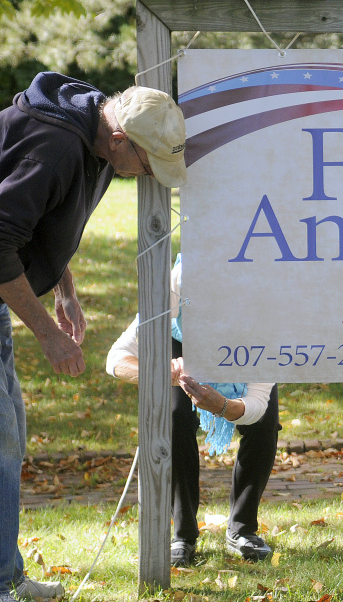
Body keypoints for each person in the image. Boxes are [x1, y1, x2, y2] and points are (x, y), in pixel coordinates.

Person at [0, 72, 186, 601]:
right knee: (0, 440)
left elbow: (43, 225)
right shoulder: (56, 146)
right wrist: (48, 335)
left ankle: (6, 575)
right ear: (122, 140)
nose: (147, 174)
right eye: (148, 163)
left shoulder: (96, 140)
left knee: (9, 434)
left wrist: (65, 290)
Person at [106, 257, 280, 567]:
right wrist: (164, 373)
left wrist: (223, 406)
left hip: (249, 351)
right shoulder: (180, 281)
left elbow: (256, 404)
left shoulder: (266, 319)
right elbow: (116, 359)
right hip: (178, 342)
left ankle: (243, 530)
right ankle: (183, 534)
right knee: (175, 417)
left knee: (265, 424)